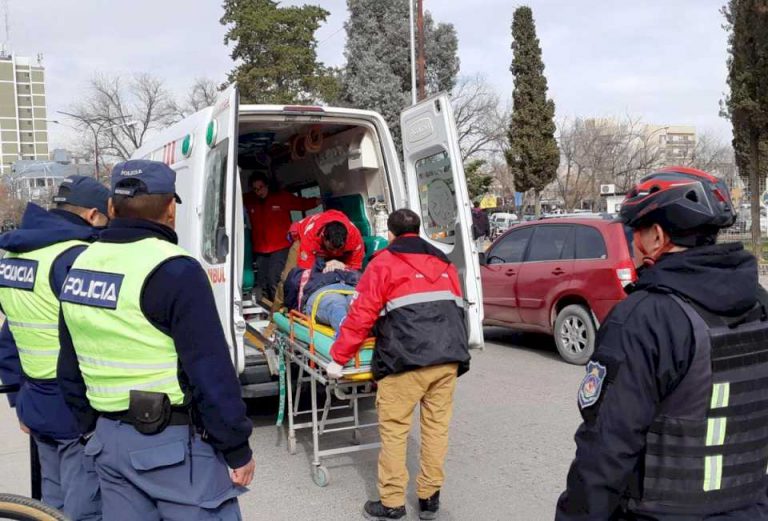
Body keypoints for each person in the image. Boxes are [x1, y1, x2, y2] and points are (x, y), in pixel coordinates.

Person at [556, 166, 768, 520]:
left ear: (656, 236)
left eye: (633, 234)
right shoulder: (760, 304)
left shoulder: (645, 318)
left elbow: (605, 452)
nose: (632, 247)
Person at [56, 160, 255, 521]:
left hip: (108, 442)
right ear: (169, 210)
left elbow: (68, 367)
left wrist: (91, 430)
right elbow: (210, 371)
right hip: (172, 448)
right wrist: (236, 447)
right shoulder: (175, 269)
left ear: (112, 208)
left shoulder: (78, 267)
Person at [328, 209, 471, 521]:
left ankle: (392, 503)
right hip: (448, 356)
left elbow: (360, 315)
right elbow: (458, 307)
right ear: (418, 232)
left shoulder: (383, 263)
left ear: (390, 234)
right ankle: (429, 501)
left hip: (406, 358)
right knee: (436, 430)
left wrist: (338, 359)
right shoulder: (444, 262)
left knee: (394, 431)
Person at [0, 175, 109, 520]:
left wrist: (18, 396)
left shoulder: (13, 254)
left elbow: (11, 331)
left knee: (50, 502)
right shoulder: (75, 257)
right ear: (93, 215)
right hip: (74, 403)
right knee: (84, 505)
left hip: (36, 399)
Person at [244, 170, 319, 301]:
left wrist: (319, 200)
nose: (258, 192)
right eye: (255, 189)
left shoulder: (281, 197)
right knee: (261, 282)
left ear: (267, 185)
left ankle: (278, 309)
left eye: (261, 188)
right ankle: (265, 310)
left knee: (274, 278)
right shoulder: (249, 200)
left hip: (280, 246)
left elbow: (302, 204)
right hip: (261, 249)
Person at [273, 209, 364, 311]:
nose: (333, 253)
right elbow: (304, 275)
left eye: (337, 249)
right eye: (331, 249)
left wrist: (342, 266)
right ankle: (275, 316)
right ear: (324, 237)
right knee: (289, 278)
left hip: (340, 254)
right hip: (305, 243)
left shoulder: (355, 238)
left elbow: (355, 270)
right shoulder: (311, 236)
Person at [283, 257, 362, 331]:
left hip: (349, 289)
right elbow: (291, 290)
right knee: (336, 303)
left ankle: (353, 331)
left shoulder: (345, 269)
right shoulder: (304, 273)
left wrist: (344, 267)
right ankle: (349, 332)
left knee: (356, 303)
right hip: (323, 292)